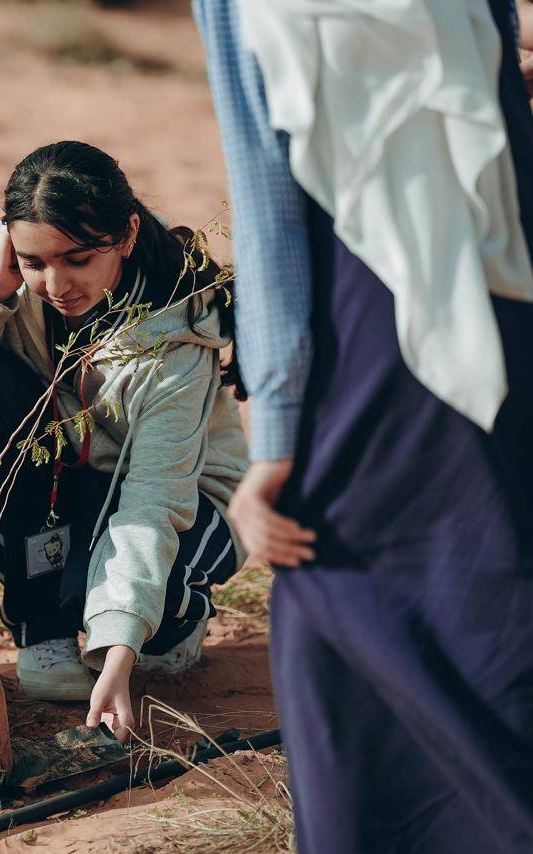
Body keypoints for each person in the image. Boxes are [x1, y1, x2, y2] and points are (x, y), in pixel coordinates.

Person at [195, 0, 533, 849]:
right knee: (496, 603)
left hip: (364, 325)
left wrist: (272, 431)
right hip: (505, 292)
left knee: (347, 611)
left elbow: (267, 204)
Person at [0, 141, 249, 735]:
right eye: (34, 262)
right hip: (65, 484)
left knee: (147, 634)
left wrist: (119, 653)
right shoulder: (6, 266)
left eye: (79, 259)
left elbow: (153, 504)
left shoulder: (177, 338)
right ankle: (42, 624)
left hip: (187, 502)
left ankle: (175, 621)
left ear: (128, 234)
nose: (55, 283)